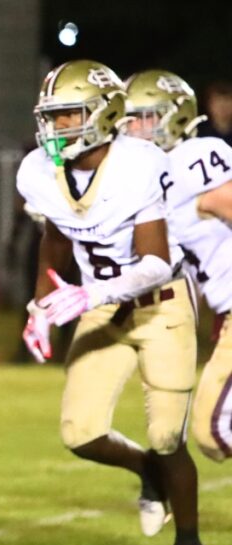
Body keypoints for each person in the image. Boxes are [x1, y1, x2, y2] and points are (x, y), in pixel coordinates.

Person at [18, 60, 204, 545]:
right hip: (95, 303)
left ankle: (188, 543)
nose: (56, 129)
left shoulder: (139, 163)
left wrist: (87, 294)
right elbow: (53, 241)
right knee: (80, 432)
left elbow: (156, 261)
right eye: (50, 117)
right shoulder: (37, 171)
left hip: (161, 305)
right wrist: (39, 308)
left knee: (168, 435)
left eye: (68, 115)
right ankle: (145, 470)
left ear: (103, 114)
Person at [124, 70, 232, 468]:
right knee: (212, 435)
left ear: (174, 116)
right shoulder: (151, 178)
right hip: (225, 312)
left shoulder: (190, 157)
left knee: (214, 431)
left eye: (142, 118)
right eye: (127, 120)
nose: (132, 130)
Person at [196, 81, 232, 148]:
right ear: (209, 105)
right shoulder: (197, 133)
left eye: (227, 101)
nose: (223, 108)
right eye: (218, 102)